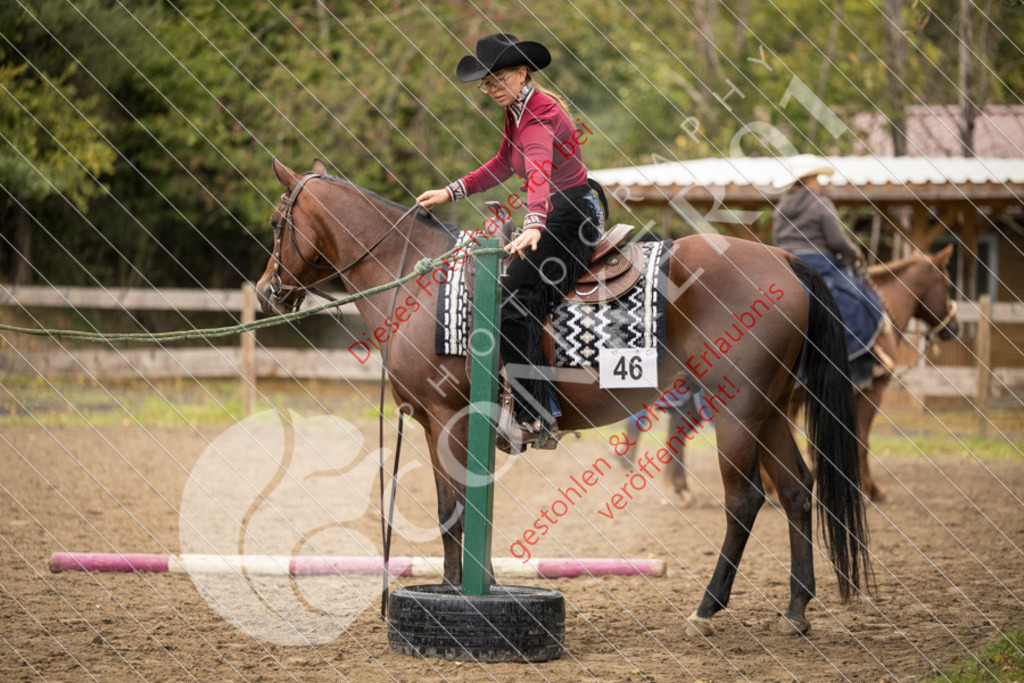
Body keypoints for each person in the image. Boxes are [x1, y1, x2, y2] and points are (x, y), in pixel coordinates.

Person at [416, 33, 602, 450]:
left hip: (570, 217)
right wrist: (452, 191)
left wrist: (534, 221)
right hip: (558, 212)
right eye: (487, 84)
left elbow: (537, 169)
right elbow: (505, 163)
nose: (493, 89)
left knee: (510, 303)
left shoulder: (537, 115)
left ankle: (539, 414)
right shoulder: (517, 111)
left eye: (499, 80)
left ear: (522, 74)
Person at [772, 155, 893, 384]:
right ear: (808, 180)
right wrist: (854, 251)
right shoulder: (820, 202)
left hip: (786, 265)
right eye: (817, 178)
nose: (820, 183)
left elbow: (779, 240)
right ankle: (861, 362)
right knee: (860, 300)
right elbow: (836, 240)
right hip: (817, 266)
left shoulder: (780, 208)